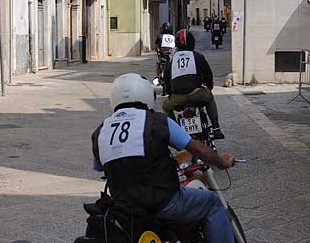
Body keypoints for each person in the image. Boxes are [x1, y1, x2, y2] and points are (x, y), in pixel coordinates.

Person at [91, 73, 235, 243]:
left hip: (123, 209)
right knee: (212, 203)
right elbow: (198, 149)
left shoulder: (100, 131)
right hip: (164, 202)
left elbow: (100, 166)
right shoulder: (158, 121)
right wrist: (222, 161)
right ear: (146, 94)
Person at [162, 30, 225, 139]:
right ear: (192, 42)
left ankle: (176, 133)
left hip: (178, 98)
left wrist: (169, 93)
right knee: (209, 98)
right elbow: (208, 74)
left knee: (165, 107)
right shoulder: (198, 56)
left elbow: (166, 79)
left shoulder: (171, 60)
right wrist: (209, 87)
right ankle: (216, 128)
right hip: (197, 94)